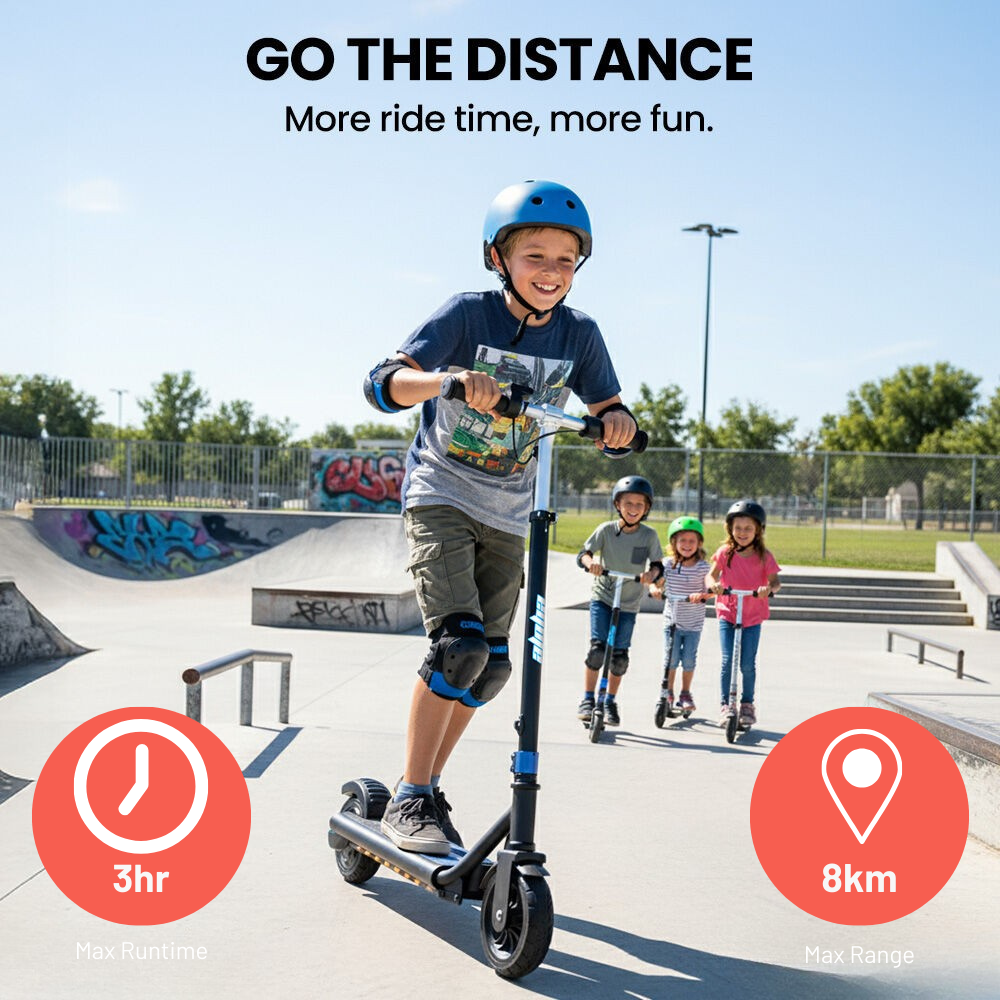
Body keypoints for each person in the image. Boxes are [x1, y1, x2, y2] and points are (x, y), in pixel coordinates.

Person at [362, 180, 639, 855]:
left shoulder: (581, 335)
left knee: (489, 667)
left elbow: (608, 407)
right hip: (443, 496)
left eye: (565, 261)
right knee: (456, 647)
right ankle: (410, 796)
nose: (550, 272)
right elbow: (380, 384)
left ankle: (422, 787)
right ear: (499, 258)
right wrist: (448, 381)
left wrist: (618, 423)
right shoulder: (466, 314)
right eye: (534, 256)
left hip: (512, 515)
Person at [577, 476, 664, 727]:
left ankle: (610, 701)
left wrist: (652, 575)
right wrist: (590, 564)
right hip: (604, 596)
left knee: (619, 658)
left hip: (629, 602)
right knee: (597, 651)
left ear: (646, 508)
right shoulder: (606, 530)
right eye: (628, 503)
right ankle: (588, 699)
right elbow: (584, 554)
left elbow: (658, 565)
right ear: (618, 504)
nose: (634, 509)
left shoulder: (649, 535)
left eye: (639, 504)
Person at [705, 499, 782, 728]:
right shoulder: (724, 553)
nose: (742, 533)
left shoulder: (764, 556)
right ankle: (726, 705)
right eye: (738, 528)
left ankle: (747, 704)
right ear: (730, 529)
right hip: (728, 612)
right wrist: (714, 586)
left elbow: (776, 582)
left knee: (747, 663)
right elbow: (710, 576)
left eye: (748, 528)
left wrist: (767, 590)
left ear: (758, 530)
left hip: (752, 616)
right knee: (728, 660)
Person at [649, 516, 711, 715]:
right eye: (682, 540)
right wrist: (654, 589)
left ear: (699, 543)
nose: (687, 545)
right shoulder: (668, 564)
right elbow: (654, 580)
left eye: (692, 541)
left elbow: (711, 589)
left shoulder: (703, 567)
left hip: (693, 624)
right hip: (672, 622)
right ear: (673, 542)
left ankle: (685, 693)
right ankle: (667, 691)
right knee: (671, 659)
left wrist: (702, 595)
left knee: (689, 660)